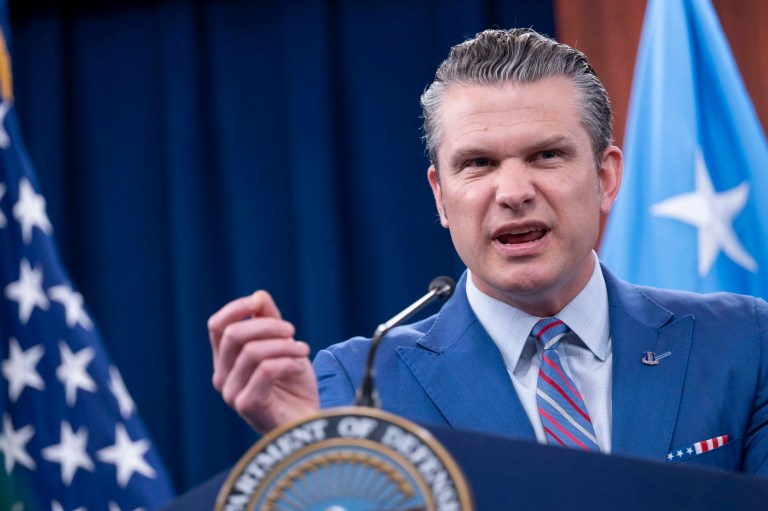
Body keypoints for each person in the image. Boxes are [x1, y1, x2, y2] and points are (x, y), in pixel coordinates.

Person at [208, 28, 768, 474]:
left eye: (547, 155)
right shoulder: (356, 386)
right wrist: (310, 452)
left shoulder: (744, 344)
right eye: (478, 164)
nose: (514, 191)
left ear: (606, 177)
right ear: (441, 196)